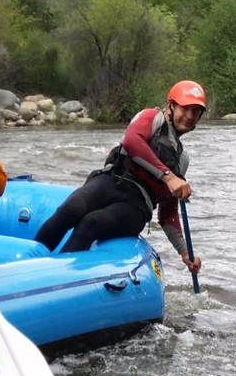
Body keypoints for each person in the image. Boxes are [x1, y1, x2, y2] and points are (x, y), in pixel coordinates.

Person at [34, 80, 206, 277]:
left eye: (196, 111)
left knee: (91, 223)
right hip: (113, 180)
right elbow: (132, 141)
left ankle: (56, 278)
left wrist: (185, 252)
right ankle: (30, 264)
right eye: (185, 108)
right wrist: (167, 176)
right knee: (71, 208)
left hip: (136, 207)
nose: (190, 116)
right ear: (171, 106)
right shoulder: (151, 118)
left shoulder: (182, 160)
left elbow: (168, 214)